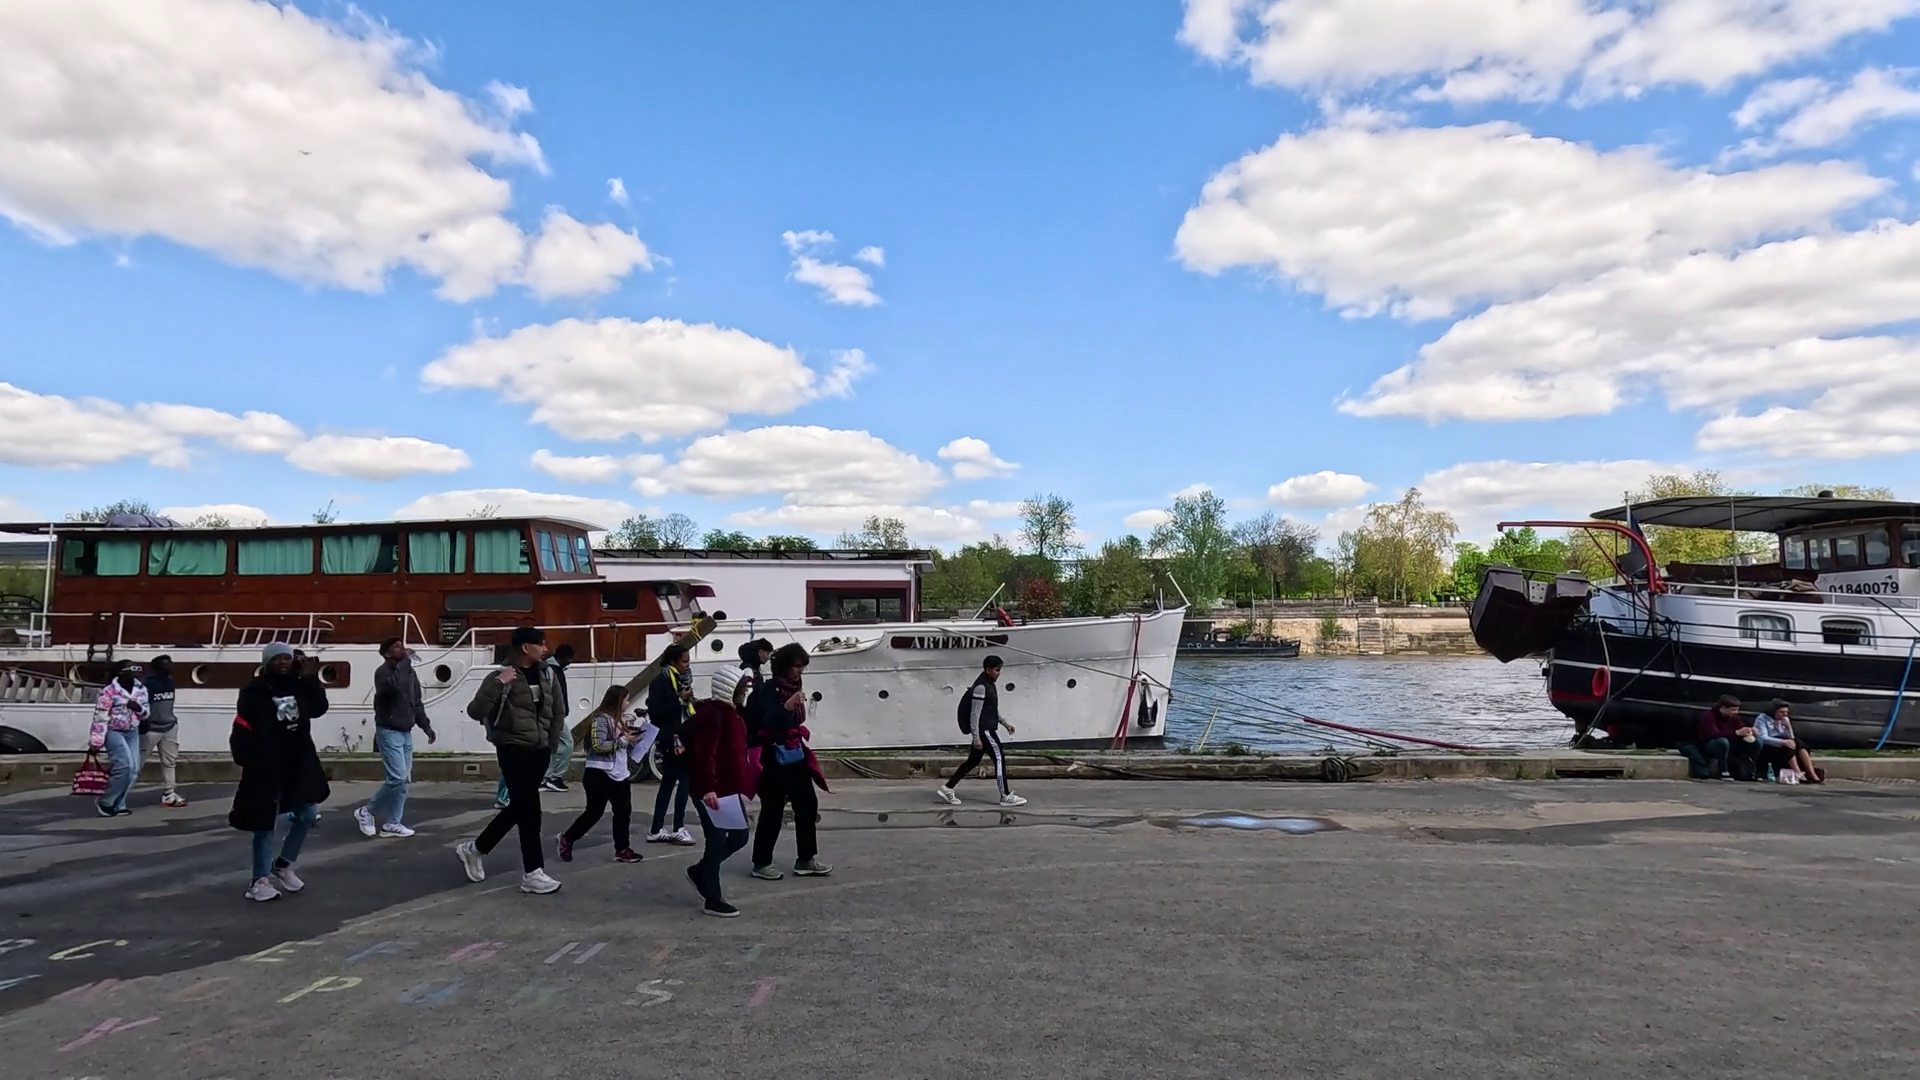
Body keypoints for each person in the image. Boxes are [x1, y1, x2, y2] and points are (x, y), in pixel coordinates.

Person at [457, 626, 565, 895]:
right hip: (513, 748)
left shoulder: (549, 674)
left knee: (521, 806)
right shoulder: (500, 675)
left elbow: (558, 712)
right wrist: (498, 683)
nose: (545, 649)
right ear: (526, 647)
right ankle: (533, 872)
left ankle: (476, 848)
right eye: (541, 644)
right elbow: (475, 711)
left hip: (540, 750)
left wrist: (551, 745)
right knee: (530, 810)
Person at [229, 642, 330, 902]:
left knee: (308, 814)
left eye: (286, 657)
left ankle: (283, 864)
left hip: (298, 762)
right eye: (276, 659)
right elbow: (244, 725)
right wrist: (250, 759)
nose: (283, 662)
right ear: (266, 663)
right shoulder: (254, 691)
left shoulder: (300, 685)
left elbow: (318, 709)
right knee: (264, 823)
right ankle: (259, 880)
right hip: (266, 764)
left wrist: (311, 679)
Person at [746, 643, 831, 880]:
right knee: (772, 809)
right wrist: (787, 706)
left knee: (807, 803)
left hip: (793, 752)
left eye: (803, 667)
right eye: (796, 666)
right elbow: (768, 720)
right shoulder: (768, 690)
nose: (800, 671)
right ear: (784, 666)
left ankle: (806, 859)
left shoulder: (794, 687)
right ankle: (761, 862)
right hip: (771, 755)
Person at [357, 638, 437, 839]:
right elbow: (392, 687)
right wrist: (405, 662)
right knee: (397, 778)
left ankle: (392, 823)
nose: (402, 649)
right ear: (387, 653)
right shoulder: (383, 672)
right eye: (396, 647)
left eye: (402, 645)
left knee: (403, 781)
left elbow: (416, 702)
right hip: (389, 730)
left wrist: (426, 726)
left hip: (405, 730)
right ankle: (367, 811)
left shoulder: (409, 673)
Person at [684, 696, 753, 917]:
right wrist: (707, 787)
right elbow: (704, 753)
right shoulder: (712, 714)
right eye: (742, 686)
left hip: (729, 788)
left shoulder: (732, 713)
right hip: (712, 789)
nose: (745, 691)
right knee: (716, 839)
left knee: (740, 835)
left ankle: (701, 871)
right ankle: (713, 898)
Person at [559, 685, 643, 864]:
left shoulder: (619, 721)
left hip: (620, 773)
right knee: (594, 812)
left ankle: (622, 848)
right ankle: (568, 838)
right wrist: (623, 740)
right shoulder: (600, 720)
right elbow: (598, 745)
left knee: (623, 811)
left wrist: (633, 740)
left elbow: (620, 744)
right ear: (617, 701)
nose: (628, 703)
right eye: (626, 699)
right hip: (599, 773)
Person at [938, 654, 1027, 807]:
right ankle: (1005, 795)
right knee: (999, 759)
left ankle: (948, 788)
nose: (999, 673)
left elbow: (991, 710)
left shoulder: (989, 684)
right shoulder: (981, 687)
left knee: (972, 761)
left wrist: (1005, 724)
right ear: (987, 670)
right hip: (985, 731)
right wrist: (976, 737)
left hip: (985, 730)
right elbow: (975, 714)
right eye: (997, 670)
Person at [646, 643, 697, 845]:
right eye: (684, 661)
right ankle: (678, 827)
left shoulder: (682, 680)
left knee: (668, 783)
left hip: (682, 734)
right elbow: (656, 711)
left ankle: (656, 828)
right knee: (684, 780)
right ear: (673, 662)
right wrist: (679, 700)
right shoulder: (661, 682)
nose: (687, 665)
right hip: (671, 738)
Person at [93, 662, 149, 817]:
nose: (137, 672)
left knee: (134, 770)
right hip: (114, 731)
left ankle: (119, 803)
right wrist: (97, 741)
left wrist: (138, 708)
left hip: (132, 731)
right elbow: (100, 717)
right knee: (124, 766)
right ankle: (106, 800)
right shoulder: (109, 691)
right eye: (133, 669)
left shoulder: (141, 689)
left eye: (138, 669)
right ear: (121, 673)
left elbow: (146, 713)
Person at [1678, 695, 1758, 780]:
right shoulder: (1708, 716)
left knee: (1757, 742)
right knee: (1722, 742)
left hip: (1729, 743)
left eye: (1737, 709)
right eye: (1733, 710)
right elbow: (1712, 733)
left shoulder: (1733, 717)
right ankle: (1723, 770)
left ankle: (1751, 771)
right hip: (1707, 744)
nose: (1736, 712)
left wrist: (1748, 730)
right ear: (1723, 708)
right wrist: (1736, 733)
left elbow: (1740, 726)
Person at [141, 656, 185, 808]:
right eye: (166, 664)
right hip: (151, 729)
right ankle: (116, 794)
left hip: (169, 726)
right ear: (157, 667)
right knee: (136, 763)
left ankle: (169, 793)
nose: (171, 666)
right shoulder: (149, 684)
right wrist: (144, 725)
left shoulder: (170, 681)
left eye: (170, 663)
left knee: (169, 762)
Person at [1755, 700, 1825, 784]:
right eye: (1781, 712)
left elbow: (1791, 737)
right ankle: (1797, 772)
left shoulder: (1784, 719)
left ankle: (1811, 772)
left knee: (1799, 743)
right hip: (1769, 745)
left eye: (1786, 712)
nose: (1784, 714)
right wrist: (1782, 742)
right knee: (1787, 747)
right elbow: (1763, 738)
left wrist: (1788, 727)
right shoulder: (1762, 719)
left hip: (1783, 741)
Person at [539, 644, 577, 793]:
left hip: (553, 714)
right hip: (554, 715)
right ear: (564, 657)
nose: (570, 662)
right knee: (567, 744)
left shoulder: (551, 669)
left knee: (556, 745)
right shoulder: (553, 671)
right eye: (569, 659)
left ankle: (547, 777)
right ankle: (553, 777)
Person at [711, 638, 773, 711]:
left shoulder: (753, 668)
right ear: (760, 652)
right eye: (767, 654)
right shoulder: (749, 670)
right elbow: (746, 697)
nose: (768, 658)